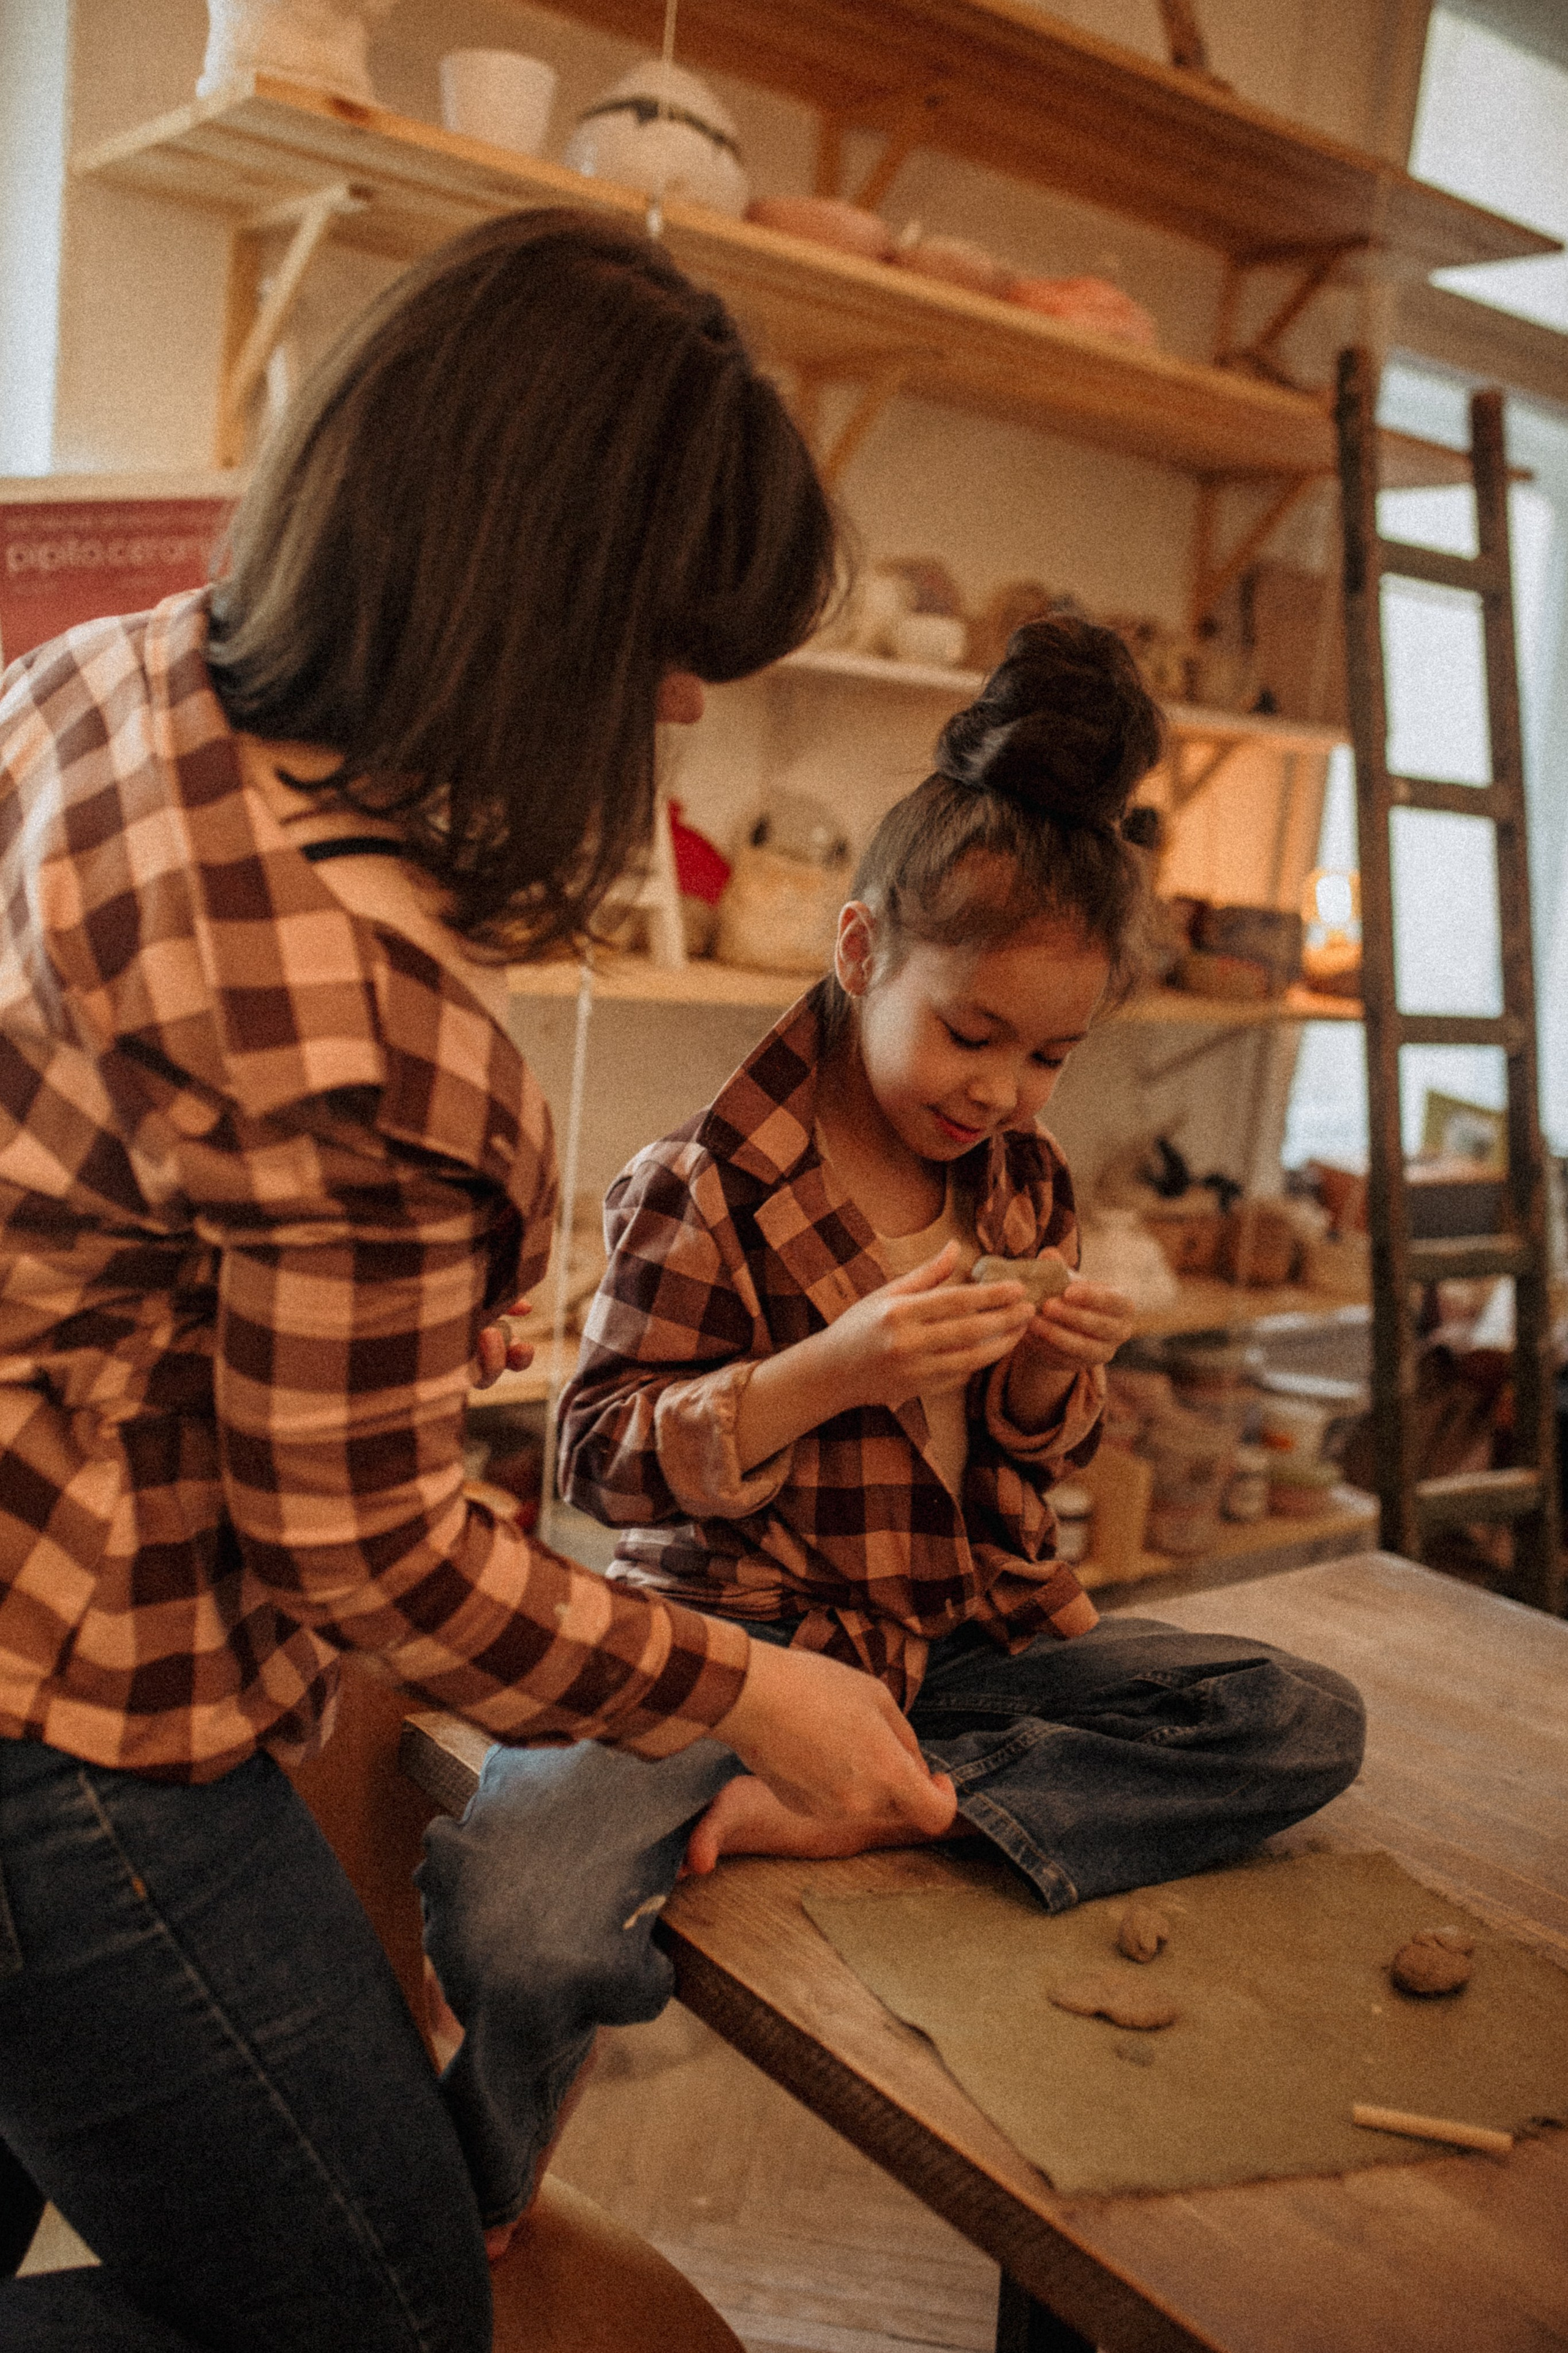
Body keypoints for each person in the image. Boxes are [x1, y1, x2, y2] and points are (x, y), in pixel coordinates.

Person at [0, 210, 956, 2352]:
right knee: (380, 2304)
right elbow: (375, 1565)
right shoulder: (388, 1034)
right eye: (673, 669)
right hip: (66, 1741)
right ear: (541, 618)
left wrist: (334, 1294)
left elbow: (100, 1181)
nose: (685, 722)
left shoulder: (114, 672)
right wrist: (751, 1688)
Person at [419, 616, 1368, 2232]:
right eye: (973, 1033)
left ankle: (876, 1793)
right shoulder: (703, 1179)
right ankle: (468, 2219)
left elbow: (1024, 1471)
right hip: (739, 1649)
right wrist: (826, 1370)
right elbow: (591, 1455)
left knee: (1299, 1717)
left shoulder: (1023, 1180)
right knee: (519, 1921)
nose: (1003, 1090)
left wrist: (1059, 1377)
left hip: (958, 1642)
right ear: (859, 954)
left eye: (1051, 1054)